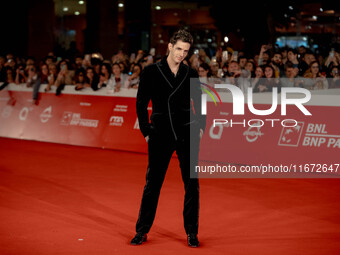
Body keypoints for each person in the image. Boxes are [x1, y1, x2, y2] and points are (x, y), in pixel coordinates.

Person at [131, 30, 206, 248]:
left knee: (192, 185)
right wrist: (146, 131)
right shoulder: (151, 72)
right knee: (152, 185)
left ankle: (192, 232)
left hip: (187, 132)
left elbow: (200, 102)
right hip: (160, 134)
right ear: (170, 47)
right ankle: (142, 230)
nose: (182, 54)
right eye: (179, 49)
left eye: (186, 51)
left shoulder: (191, 74)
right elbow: (140, 103)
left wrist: (200, 127)